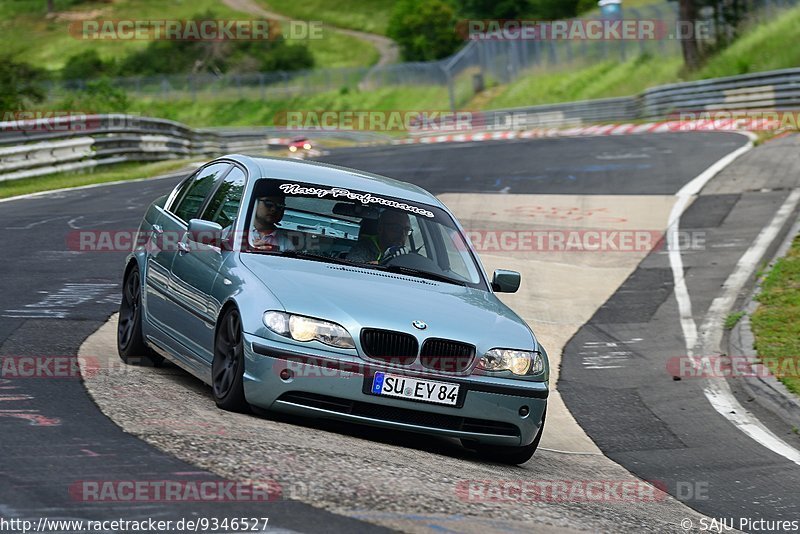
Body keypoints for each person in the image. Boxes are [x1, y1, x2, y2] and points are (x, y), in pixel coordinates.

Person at [249, 187, 295, 251]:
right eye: (269, 204)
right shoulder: (235, 231)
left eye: (280, 206)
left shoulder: (286, 244)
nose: (274, 209)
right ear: (255, 203)